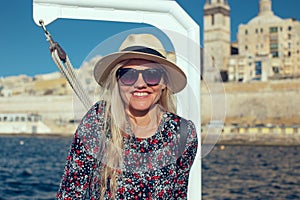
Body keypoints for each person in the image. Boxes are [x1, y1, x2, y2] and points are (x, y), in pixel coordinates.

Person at [56, 33, 198, 200]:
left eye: (151, 74)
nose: (140, 84)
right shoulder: (97, 121)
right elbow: (70, 194)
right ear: (117, 81)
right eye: (128, 75)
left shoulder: (183, 133)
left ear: (164, 83)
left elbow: (179, 195)